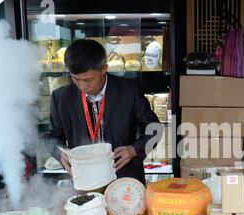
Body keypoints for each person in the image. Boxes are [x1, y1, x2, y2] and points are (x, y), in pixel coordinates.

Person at [45, 39, 161, 185]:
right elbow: (51, 137)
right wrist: (59, 153)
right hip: (84, 178)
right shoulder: (62, 97)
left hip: (124, 176)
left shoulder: (129, 91)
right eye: (76, 79)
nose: (82, 85)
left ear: (104, 68)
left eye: (88, 79)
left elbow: (155, 129)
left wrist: (134, 149)